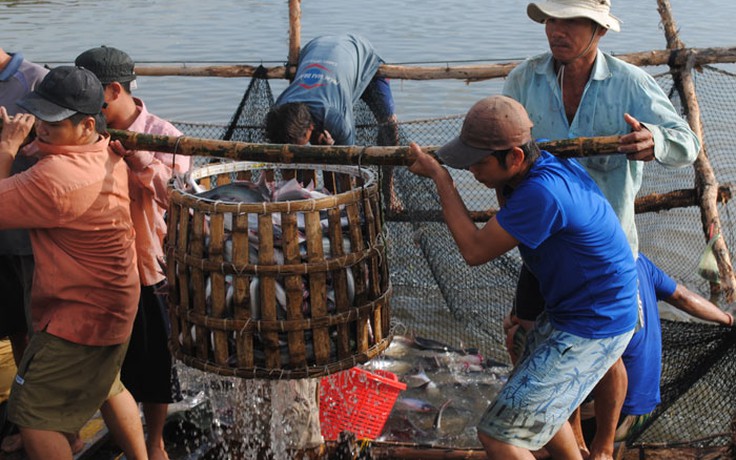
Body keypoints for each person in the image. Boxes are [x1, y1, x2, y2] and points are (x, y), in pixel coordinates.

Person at [502, 1, 700, 456]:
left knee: (608, 351)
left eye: (569, 20)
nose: (557, 30)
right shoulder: (524, 79)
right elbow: (504, 148)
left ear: (598, 31)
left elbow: (686, 142)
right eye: (552, 20)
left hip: (605, 254)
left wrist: (656, 139)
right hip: (543, 247)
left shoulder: (629, 83)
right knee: (533, 337)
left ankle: (605, 447)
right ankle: (567, 437)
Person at [408, 95, 638, 460]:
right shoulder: (538, 165)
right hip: (581, 309)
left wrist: (440, 176)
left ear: (514, 157)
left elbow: (474, 250)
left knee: (498, 436)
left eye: (478, 162)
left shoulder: (543, 193)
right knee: (539, 415)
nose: (472, 171)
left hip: (594, 323)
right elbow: (508, 212)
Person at [0, 65, 146, 460]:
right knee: (107, 386)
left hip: (79, 318)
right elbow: (55, 156)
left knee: (34, 416)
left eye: (52, 122)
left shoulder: (54, 177)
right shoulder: (104, 148)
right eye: (38, 116)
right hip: (115, 304)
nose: (41, 128)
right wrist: (35, 142)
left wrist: (7, 147)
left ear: (85, 125)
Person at [75, 45, 190, 460]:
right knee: (104, 363)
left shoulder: (166, 134)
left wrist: (136, 155)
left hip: (148, 267)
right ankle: (120, 438)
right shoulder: (86, 131)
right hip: (98, 268)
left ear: (115, 90)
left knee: (155, 361)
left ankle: (154, 441)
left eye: (93, 97)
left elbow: (176, 195)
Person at [0, 47, 49, 456]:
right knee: (16, 327)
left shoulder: (35, 80)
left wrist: (13, 143)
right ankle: (22, 415)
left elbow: (62, 151)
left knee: (41, 332)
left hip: (28, 238)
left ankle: (53, 425)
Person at [265, 33, 398, 147]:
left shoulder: (334, 116)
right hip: (316, 46)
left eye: (301, 145)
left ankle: (388, 176)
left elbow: (349, 157)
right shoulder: (279, 111)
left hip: (361, 52)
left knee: (388, 122)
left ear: (311, 127)